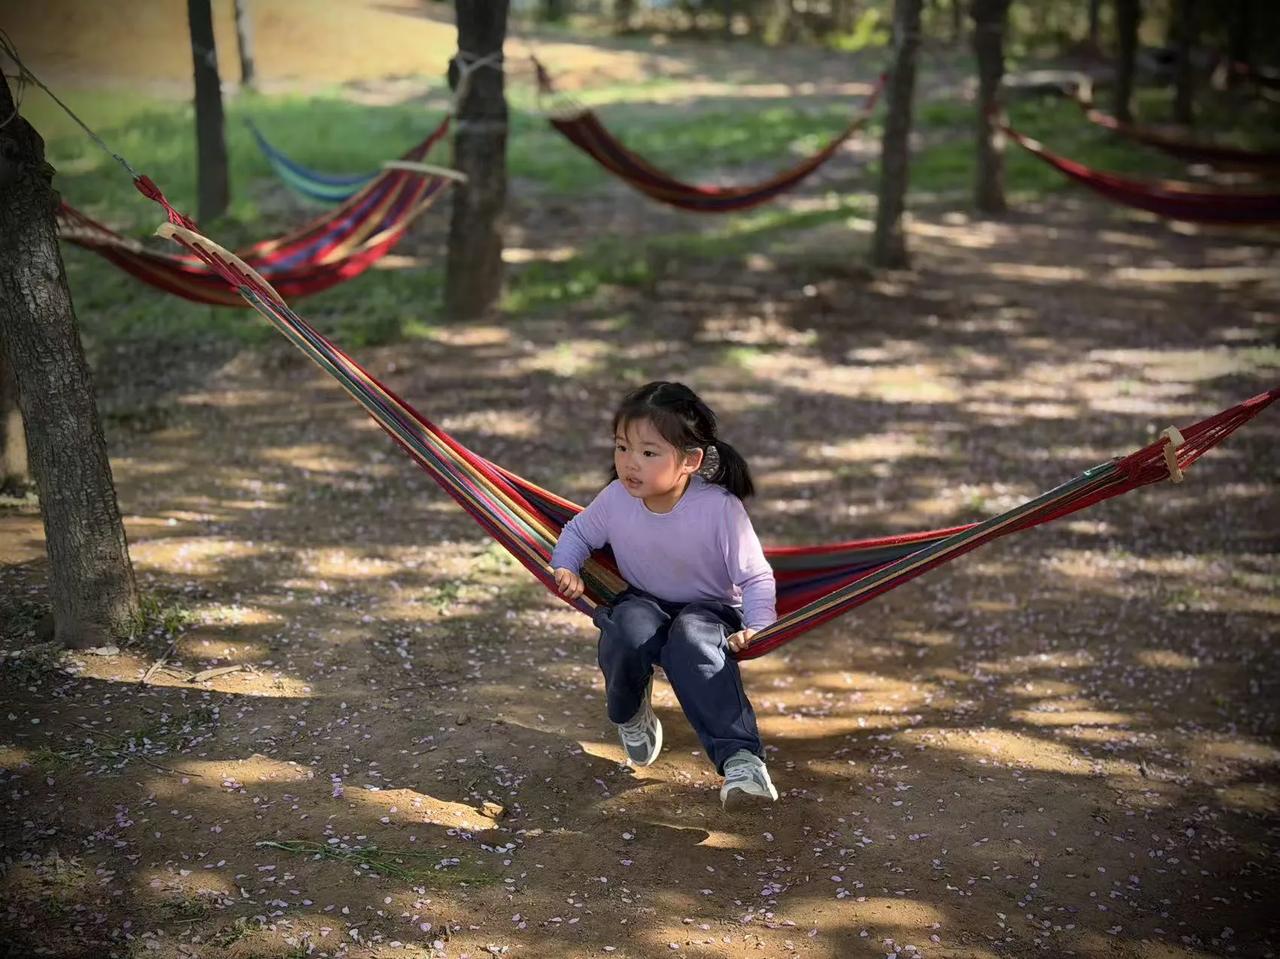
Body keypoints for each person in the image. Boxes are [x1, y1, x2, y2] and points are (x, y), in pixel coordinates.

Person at [550, 381, 779, 808]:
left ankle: (742, 761)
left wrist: (759, 624)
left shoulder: (719, 508)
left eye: (648, 453)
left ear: (690, 460)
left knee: (693, 638)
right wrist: (566, 565)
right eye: (622, 447)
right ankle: (631, 712)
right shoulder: (616, 499)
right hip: (645, 601)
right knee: (626, 625)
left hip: (711, 611)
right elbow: (577, 533)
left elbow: (755, 576)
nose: (629, 463)